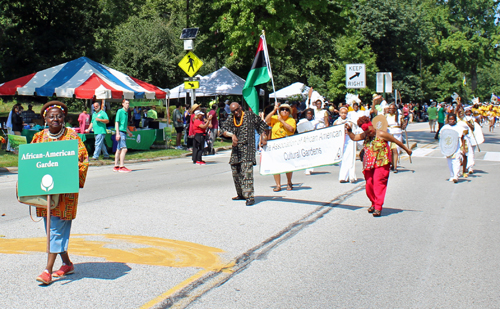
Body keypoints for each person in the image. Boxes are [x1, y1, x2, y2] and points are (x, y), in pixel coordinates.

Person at [32, 101, 89, 285]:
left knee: (55, 230)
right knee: (51, 230)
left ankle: (47, 271)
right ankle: (67, 263)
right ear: (45, 119)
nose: (55, 119)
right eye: (52, 116)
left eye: (59, 116)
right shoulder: (38, 138)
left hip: (65, 195)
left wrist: (71, 175)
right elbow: (30, 161)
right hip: (44, 194)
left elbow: (83, 161)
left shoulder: (72, 138)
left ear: (64, 118)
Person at [346, 116, 412, 217]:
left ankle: (378, 207)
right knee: (369, 185)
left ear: (372, 126)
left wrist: (407, 150)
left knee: (378, 184)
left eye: (370, 131)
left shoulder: (381, 134)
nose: (369, 134)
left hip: (381, 163)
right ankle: (373, 202)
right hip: (369, 163)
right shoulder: (365, 134)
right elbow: (354, 137)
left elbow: (396, 141)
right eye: (367, 133)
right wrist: (349, 131)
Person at [219, 102, 269, 206]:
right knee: (235, 170)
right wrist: (231, 135)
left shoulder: (249, 115)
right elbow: (222, 130)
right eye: (233, 111)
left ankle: (249, 196)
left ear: (240, 107)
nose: (236, 113)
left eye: (237, 110)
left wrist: (263, 137)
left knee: (246, 172)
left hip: (248, 148)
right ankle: (241, 194)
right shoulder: (232, 119)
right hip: (236, 149)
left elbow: (262, 125)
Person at [265, 102, 297, 191]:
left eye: (287, 110)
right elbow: (266, 120)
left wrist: (282, 121)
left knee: (288, 164)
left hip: (286, 144)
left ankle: (289, 182)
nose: (284, 111)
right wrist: (274, 110)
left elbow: (291, 129)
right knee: (276, 165)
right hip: (275, 145)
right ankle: (278, 185)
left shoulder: (291, 120)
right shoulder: (275, 118)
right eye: (282, 109)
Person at [440, 113, 467, 183]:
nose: (451, 120)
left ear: (455, 120)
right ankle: (452, 175)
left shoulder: (459, 128)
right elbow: (442, 137)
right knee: (449, 162)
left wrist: (463, 148)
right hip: (448, 147)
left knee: (456, 161)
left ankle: (456, 176)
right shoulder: (445, 127)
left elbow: (463, 138)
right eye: (449, 119)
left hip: (456, 147)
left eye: (452, 119)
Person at [334, 107, 357, 183]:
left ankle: (351, 176)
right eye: (342, 113)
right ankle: (343, 177)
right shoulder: (336, 122)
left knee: (350, 158)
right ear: (339, 113)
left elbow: (350, 127)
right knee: (342, 158)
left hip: (349, 140)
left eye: (345, 113)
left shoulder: (350, 121)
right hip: (341, 141)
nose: (343, 114)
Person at [297, 108, 319, 175]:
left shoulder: (315, 122)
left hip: (312, 140)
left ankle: (310, 167)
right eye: (308, 114)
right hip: (304, 140)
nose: (309, 115)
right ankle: (307, 168)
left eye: (310, 114)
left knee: (311, 154)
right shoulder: (302, 121)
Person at [114, 100, 133, 172]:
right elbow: (117, 122)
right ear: (123, 104)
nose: (127, 105)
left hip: (124, 131)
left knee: (118, 150)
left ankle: (116, 166)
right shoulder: (120, 111)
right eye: (126, 103)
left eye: (128, 103)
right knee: (124, 149)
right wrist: (117, 133)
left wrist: (129, 132)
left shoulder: (126, 113)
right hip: (121, 132)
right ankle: (122, 166)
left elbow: (124, 125)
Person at [386, 103, 406, 173]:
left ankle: (395, 166)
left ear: (395, 109)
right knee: (389, 150)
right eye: (390, 108)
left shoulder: (399, 116)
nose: (391, 110)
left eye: (392, 108)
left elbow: (403, 126)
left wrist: (404, 123)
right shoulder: (386, 116)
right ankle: (391, 164)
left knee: (395, 150)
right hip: (389, 133)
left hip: (397, 134)